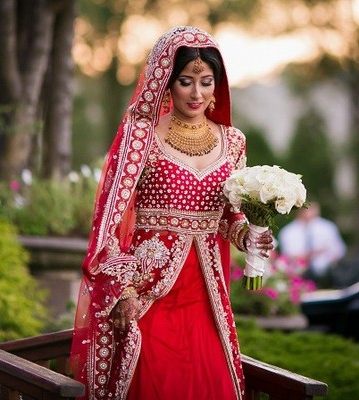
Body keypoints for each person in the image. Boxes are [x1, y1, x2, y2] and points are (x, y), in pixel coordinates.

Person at [70, 26, 274, 400]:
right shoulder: (140, 137)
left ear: (218, 85)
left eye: (207, 82)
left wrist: (250, 236)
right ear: (166, 81)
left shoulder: (233, 142)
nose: (197, 93)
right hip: (149, 294)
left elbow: (229, 217)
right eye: (186, 81)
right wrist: (123, 290)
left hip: (206, 296)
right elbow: (108, 223)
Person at [278, 202, 346, 288]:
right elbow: (288, 257)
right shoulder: (287, 232)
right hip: (300, 277)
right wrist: (312, 254)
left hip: (328, 275)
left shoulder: (328, 227)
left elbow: (339, 251)